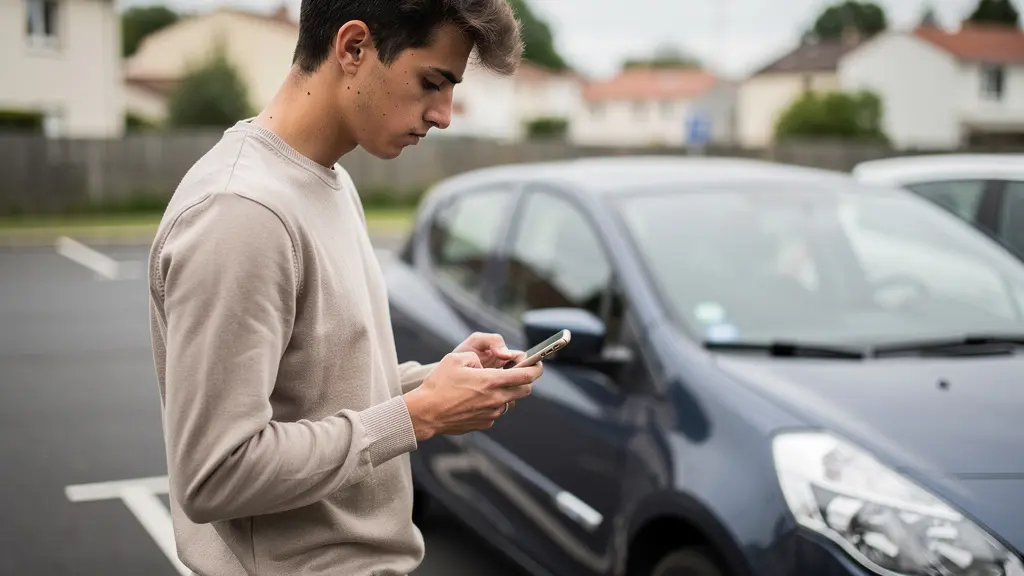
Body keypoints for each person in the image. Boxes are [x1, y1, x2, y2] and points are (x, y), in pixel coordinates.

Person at [145, 1, 539, 575]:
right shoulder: (241, 214)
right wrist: (418, 414)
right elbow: (216, 475)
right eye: (433, 81)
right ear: (353, 47)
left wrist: (437, 382)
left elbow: (320, 389)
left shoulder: (330, 179)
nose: (445, 114)